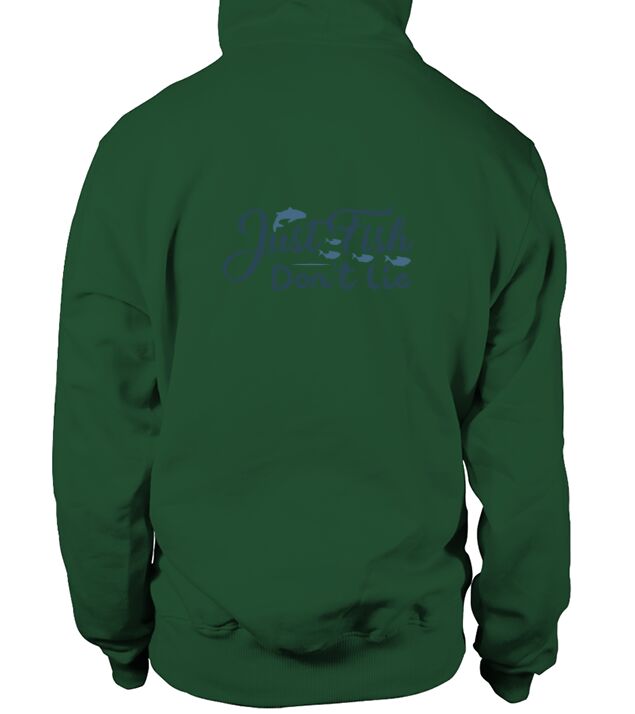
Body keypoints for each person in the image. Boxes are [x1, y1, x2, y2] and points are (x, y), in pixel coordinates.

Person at [52, 0, 570, 706]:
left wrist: (116, 628)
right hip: (413, 653)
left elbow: (103, 431)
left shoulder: (141, 153)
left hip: (203, 648)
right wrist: (516, 644)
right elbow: (521, 443)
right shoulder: (493, 157)